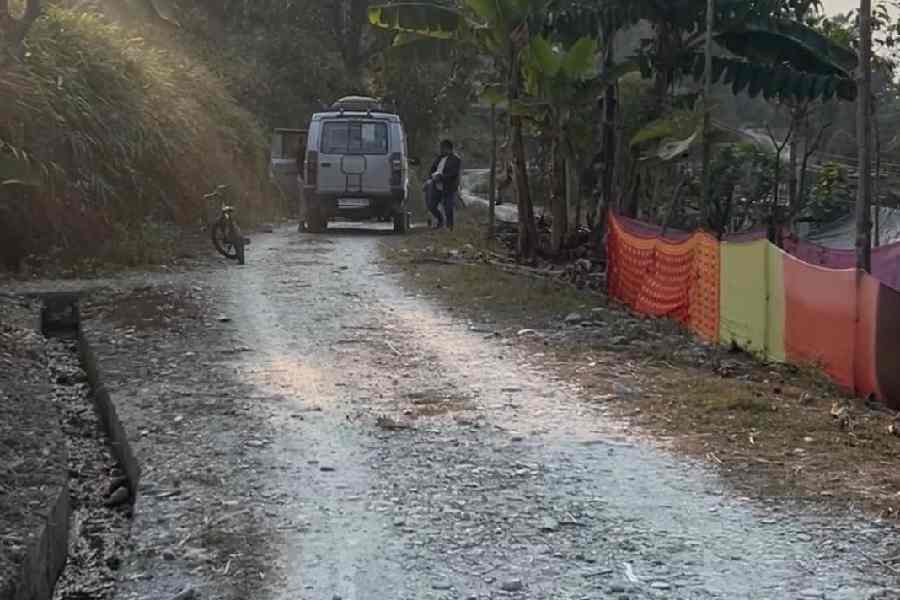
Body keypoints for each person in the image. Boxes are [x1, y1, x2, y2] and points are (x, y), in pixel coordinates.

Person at [425, 139, 461, 230]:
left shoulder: (456, 159)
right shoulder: (439, 158)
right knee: (431, 205)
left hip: (448, 187)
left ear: (448, 148)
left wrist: (441, 177)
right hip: (436, 186)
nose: (440, 150)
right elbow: (432, 169)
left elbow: (453, 173)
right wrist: (430, 178)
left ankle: (450, 227)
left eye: (442, 148)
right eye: (440, 148)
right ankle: (440, 220)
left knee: (448, 207)